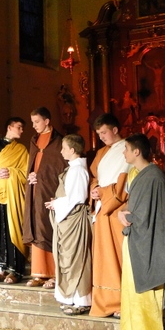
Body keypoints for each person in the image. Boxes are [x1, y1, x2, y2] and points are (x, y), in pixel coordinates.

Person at [117, 133, 165, 330]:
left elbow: (150, 214)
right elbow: (136, 206)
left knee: (148, 294)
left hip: (148, 241)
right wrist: (123, 212)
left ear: (137, 151)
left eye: (126, 149)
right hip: (136, 238)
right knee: (132, 290)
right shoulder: (141, 174)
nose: (123, 153)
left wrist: (129, 216)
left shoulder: (153, 176)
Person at [89, 113, 131, 318]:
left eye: (104, 132)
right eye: (99, 134)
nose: (101, 137)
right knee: (103, 258)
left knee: (119, 256)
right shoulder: (101, 153)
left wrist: (104, 193)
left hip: (117, 210)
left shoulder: (127, 149)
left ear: (115, 130)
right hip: (102, 209)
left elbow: (124, 183)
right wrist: (94, 189)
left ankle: (123, 301)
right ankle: (106, 301)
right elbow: (95, 177)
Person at [45, 134, 92, 315]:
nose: (61, 151)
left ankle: (81, 300)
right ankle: (70, 298)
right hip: (67, 217)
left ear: (72, 150)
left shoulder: (78, 170)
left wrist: (56, 204)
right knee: (68, 259)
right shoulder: (73, 168)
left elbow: (77, 197)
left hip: (75, 220)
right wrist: (57, 203)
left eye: (64, 148)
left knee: (77, 259)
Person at [0, 117, 29, 284]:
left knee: (12, 228)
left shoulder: (21, 150)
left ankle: (15, 271)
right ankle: (0, 270)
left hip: (13, 194)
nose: (22, 130)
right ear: (9, 127)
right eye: (19, 127)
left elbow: (25, 173)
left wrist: (11, 171)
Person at [23, 107, 66, 288]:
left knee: (47, 226)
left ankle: (54, 273)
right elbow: (33, 164)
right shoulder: (34, 140)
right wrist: (31, 176)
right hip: (35, 189)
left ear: (47, 121)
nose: (34, 126)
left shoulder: (59, 141)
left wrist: (41, 177)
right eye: (32, 122)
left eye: (37, 122)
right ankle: (39, 273)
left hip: (50, 190)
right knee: (36, 225)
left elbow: (60, 167)